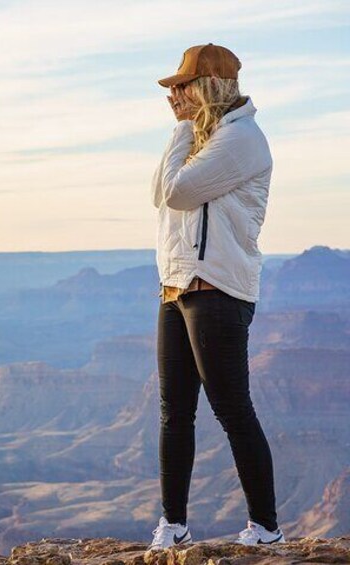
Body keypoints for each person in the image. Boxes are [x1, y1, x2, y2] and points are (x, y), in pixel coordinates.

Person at [149, 44, 283, 550]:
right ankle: (174, 524)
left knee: (232, 410)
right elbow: (160, 193)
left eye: (181, 87)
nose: (173, 97)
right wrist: (183, 130)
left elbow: (179, 193)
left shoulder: (241, 139)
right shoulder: (204, 138)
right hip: (177, 286)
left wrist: (183, 128)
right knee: (173, 412)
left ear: (207, 87)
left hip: (218, 291)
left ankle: (266, 529)